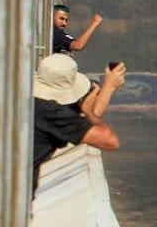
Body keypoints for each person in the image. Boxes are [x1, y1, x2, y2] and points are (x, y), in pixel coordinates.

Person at [33, 54, 120, 183]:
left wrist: (108, 88)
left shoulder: (28, 104)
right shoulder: (50, 114)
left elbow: (79, 127)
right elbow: (109, 141)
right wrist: (89, 111)